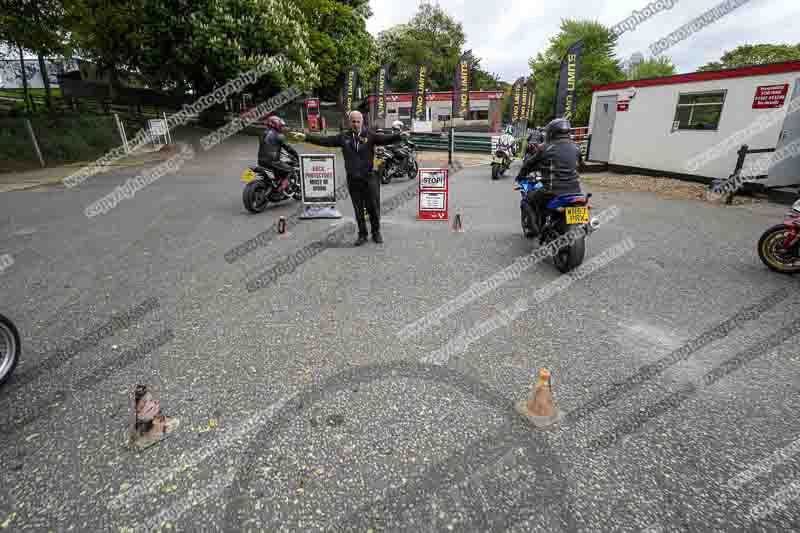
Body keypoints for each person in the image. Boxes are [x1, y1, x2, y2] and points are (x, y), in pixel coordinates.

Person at [294, 111, 408, 245]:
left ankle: (376, 232)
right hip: (353, 179)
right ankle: (362, 234)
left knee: (373, 208)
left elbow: (386, 139)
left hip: (369, 178)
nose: (355, 124)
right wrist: (306, 137)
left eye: (358, 121)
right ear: (350, 122)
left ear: (362, 122)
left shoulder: (370, 135)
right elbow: (325, 141)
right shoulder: (343, 137)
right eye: (353, 121)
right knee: (358, 209)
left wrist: (400, 136)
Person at [516, 118, 583, 236]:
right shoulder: (576, 148)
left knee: (526, 200)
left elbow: (529, 164)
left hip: (552, 191)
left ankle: (534, 230)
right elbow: (581, 166)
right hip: (576, 193)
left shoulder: (545, 147)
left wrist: (521, 176)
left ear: (552, 132)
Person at [258, 116, 299, 182]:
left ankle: (275, 182)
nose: (282, 128)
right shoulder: (279, 136)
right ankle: (281, 188)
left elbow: (268, 146)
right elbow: (289, 149)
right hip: (273, 162)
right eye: (281, 126)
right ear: (276, 125)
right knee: (291, 170)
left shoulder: (262, 134)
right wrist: (297, 157)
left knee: (280, 169)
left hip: (261, 161)